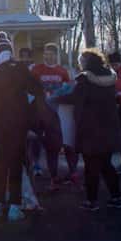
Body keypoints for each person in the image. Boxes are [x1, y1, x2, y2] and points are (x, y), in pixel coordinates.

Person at [0, 32, 44, 221]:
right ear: (11, 52)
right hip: (18, 123)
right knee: (16, 163)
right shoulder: (21, 69)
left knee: (0, 163)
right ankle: (15, 206)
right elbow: (37, 90)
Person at [56, 49, 121, 210]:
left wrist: (54, 98)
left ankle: (91, 201)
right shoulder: (110, 77)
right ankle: (117, 197)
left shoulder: (85, 79)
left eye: (81, 61)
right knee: (106, 164)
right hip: (109, 127)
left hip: (90, 129)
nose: (80, 64)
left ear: (86, 62)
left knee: (91, 166)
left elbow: (76, 99)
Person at [31, 42, 76, 189]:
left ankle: (68, 174)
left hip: (58, 114)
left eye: (51, 54)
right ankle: (37, 166)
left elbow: (68, 90)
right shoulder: (37, 69)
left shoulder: (62, 71)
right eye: (46, 54)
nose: (48, 56)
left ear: (56, 55)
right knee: (37, 141)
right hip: (40, 112)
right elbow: (30, 88)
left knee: (58, 145)